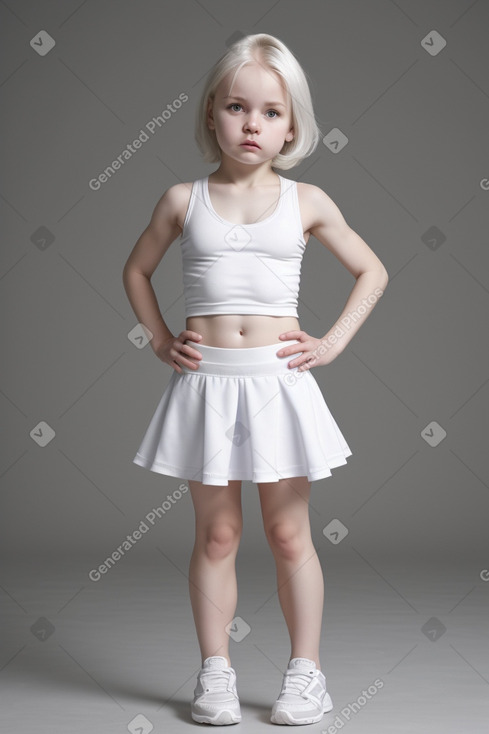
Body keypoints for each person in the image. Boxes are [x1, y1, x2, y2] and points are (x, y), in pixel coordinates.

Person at [123, 32, 388, 727]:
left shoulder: (307, 200)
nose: (251, 124)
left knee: (289, 533)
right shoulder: (183, 198)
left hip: (277, 385)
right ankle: (216, 671)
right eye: (237, 107)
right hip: (207, 384)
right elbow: (136, 270)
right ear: (212, 112)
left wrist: (329, 342)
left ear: (292, 125)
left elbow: (373, 270)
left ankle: (307, 673)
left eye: (270, 113)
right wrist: (158, 339)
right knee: (216, 535)